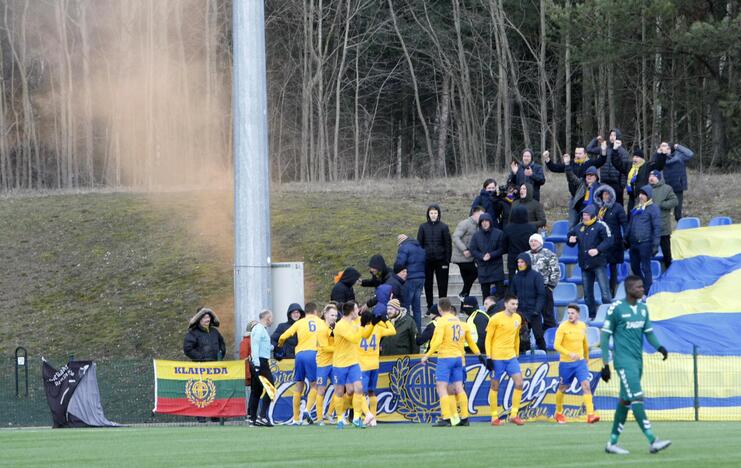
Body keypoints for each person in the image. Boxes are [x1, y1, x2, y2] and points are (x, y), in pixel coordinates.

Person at [600, 275, 671, 455]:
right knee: (637, 397)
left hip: (638, 362)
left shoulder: (642, 309)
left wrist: (660, 347)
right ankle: (653, 440)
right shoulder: (616, 308)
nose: (642, 289)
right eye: (639, 287)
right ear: (630, 289)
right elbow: (605, 335)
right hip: (623, 362)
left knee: (625, 401)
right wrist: (605, 364)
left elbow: (649, 333)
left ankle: (612, 443)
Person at [421, 298, 485, 427]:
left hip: (446, 357)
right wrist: (479, 355)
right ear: (450, 307)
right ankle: (465, 417)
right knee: (458, 387)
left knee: (441, 387)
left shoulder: (441, 322)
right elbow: (471, 342)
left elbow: (438, 341)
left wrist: (427, 355)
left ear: (439, 308)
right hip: (459, 359)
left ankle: (446, 417)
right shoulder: (460, 322)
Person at [553, 304, 599, 424]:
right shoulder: (562, 327)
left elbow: (584, 342)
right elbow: (556, 345)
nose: (570, 315)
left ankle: (590, 415)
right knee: (563, 387)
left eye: (572, 313)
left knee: (586, 385)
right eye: (568, 313)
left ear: (578, 314)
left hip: (580, 363)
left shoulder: (582, 326)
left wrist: (586, 357)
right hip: (566, 363)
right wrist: (569, 354)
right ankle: (558, 412)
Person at [332, 301, 374, 429]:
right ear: (351, 311)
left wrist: (371, 323)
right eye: (356, 309)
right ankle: (339, 417)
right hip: (340, 363)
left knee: (359, 388)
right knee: (339, 392)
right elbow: (355, 339)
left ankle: (357, 417)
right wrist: (362, 326)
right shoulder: (340, 326)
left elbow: (364, 336)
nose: (358, 311)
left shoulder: (354, 322)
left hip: (353, 362)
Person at [567, 205, 613, 320]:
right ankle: (592, 315)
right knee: (587, 293)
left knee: (605, 292)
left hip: (598, 263)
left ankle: (610, 315)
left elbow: (609, 240)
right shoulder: (579, 227)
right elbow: (570, 237)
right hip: (585, 264)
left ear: (592, 215)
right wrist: (570, 240)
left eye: (587, 215)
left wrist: (598, 250)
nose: (584, 217)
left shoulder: (601, 225)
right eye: (583, 215)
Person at [278, 302, 321, 425]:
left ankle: (296, 419)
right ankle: (307, 409)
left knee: (298, 387)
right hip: (313, 353)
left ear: (305, 312)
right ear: (315, 312)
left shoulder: (299, 323)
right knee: (314, 385)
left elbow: (283, 336)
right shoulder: (320, 322)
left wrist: (280, 345)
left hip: (299, 355)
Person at [485, 295, 525, 426]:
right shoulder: (495, 318)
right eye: (513, 304)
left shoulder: (518, 318)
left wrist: (516, 352)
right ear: (506, 304)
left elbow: (516, 337)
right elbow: (488, 339)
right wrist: (489, 357)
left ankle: (514, 415)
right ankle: (494, 417)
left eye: (517, 304)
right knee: (495, 386)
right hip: (497, 357)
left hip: (511, 357)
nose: (515, 307)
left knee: (519, 383)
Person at [183, 307, 226, 423]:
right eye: (204, 317)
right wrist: (200, 358)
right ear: (199, 319)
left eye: (208, 317)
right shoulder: (193, 333)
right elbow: (187, 349)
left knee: (215, 390)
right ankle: (201, 415)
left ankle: (214, 414)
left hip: (215, 367)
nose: (207, 319)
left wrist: (220, 356)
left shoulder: (215, 332)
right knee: (201, 392)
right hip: (200, 367)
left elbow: (222, 345)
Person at [358, 315, 396, 426]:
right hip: (374, 364)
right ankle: (373, 418)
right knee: (371, 392)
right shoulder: (378, 328)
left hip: (362, 365)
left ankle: (364, 415)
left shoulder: (359, 329)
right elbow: (393, 331)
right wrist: (385, 320)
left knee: (360, 393)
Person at [610, 141, 667, 213]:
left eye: (637, 157)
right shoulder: (629, 166)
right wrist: (615, 150)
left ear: (642, 159)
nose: (634, 159)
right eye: (633, 156)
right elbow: (617, 163)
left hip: (643, 198)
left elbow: (659, 166)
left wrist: (662, 154)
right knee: (631, 218)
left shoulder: (647, 166)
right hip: (631, 198)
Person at [594, 185, 629, 296]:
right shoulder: (597, 208)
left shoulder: (617, 207)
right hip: (600, 243)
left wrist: (625, 239)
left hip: (614, 243)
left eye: (608, 194)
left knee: (613, 269)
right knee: (600, 267)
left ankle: (612, 291)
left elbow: (625, 224)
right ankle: (603, 291)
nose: (606, 196)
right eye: (604, 194)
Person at [417, 204, 452, 314]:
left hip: (441, 260)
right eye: (431, 213)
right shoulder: (423, 227)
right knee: (428, 284)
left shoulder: (444, 227)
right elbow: (419, 245)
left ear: (438, 214)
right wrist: (421, 260)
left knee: (443, 285)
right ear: (428, 214)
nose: (433, 215)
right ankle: (430, 307)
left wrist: (447, 260)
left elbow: (448, 245)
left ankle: (443, 307)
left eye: (435, 213)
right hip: (427, 261)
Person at [626, 185, 661, 293]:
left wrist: (655, 244)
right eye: (640, 194)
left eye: (643, 194)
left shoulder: (653, 208)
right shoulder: (636, 208)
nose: (641, 196)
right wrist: (625, 238)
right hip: (634, 243)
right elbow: (630, 224)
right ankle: (642, 286)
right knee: (634, 267)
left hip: (645, 243)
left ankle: (648, 290)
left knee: (646, 268)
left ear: (648, 196)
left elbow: (656, 227)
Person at [509, 254, 547, 351]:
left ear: (527, 263)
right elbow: (512, 295)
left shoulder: (536, 276)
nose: (520, 264)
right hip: (520, 313)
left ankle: (545, 357)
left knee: (539, 336)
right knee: (521, 338)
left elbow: (541, 294)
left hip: (534, 312)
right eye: (518, 262)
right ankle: (523, 358)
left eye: (522, 262)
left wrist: (537, 310)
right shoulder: (515, 277)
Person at [587, 129, 630, 206]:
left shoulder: (623, 152)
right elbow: (589, 149)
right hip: (604, 182)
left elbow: (624, 170)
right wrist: (596, 139)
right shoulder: (604, 149)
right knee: (603, 204)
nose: (612, 137)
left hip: (617, 184)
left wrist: (622, 185)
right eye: (611, 135)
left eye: (614, 135)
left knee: (617, 205)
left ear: (618, 137)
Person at [468, 213, 505, 300]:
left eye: (486, 221)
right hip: (483, 267)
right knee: (485, 294)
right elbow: (473, 249)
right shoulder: (476, 235)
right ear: (480, 223)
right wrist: (481, 256)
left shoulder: (499, 233)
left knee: (500, 294)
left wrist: (491, 255)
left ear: (490, 222)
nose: (485, 223)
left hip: (497, 266)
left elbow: (502, 248)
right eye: (482, 221)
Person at [526, 233, 560, 330]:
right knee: (530, 318)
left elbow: (556, 271)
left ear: (540, 242)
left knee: (548, 316)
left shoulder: (549, 254)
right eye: (531, 241)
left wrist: (550, 287)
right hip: (529, 291)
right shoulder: (525, 255)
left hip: (544, 289)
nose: (533, 243)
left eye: (535, 241)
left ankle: (550, 339)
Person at [248, 309, 275, 427]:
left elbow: (263, 346)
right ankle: (262, 416)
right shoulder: (259, 329)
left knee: (257, 391)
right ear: (267, 318)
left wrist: (272, 347)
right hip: (261, 362)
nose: (272, 320)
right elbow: (255, 344)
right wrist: (257, 363)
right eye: (271, 318)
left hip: (257, 361)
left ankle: (252, 417)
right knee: (271, 388)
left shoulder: (260, 329)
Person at [394, 233, 426, 330]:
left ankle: (407, 330)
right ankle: (418, 332)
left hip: (410, 279)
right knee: (417, 308)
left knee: (405, 306)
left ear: (401, 243)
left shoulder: (404, 248)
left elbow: (399, 263)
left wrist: (395, 272)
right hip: (421, 278)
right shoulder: (420, 247)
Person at [452, 206, 484, 300]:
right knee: (475, 273)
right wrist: (464, 249)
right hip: (461, 257)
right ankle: (462, 294)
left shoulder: (478, 226)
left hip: (470, 258)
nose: (482, 217)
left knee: (467, 282)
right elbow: (455, 237)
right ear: (475, 213)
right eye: (481, 215)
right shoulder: (465, 223)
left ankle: (463, 305)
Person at [648, 170, 678, 269]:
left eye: (653, 176)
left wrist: (662, 205)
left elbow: (674, 201)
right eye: (650, 176)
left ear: (659, 178)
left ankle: (669, 268)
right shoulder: (646, 189)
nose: (651, 178)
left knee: (666, 250)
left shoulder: (667, 188)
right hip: (649, 225)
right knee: (649, 249)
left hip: (663, 225)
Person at [315, 303, 338, 425]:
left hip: (334, 363)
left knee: (339, 388)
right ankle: (319, 418)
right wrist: (340, 348)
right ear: (325, 315)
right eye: (332, 315)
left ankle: (329, 414)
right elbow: (324, 347)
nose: (334, 317)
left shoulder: (336, 328)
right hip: (323, 364)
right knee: (321, 390)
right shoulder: (321, 329)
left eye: (335, 315)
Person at [503, 205, 537, 285]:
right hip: (528, 258)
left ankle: (513, 296)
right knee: (528, 281)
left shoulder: (508, 228)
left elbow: (504, 246)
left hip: (513, 259)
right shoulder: (532, 227)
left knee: (513, 282)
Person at [661, 142, 694, 221]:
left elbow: (690, 154)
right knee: (665, 208)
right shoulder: (662, 158)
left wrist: (678, 146)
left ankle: (680, 227)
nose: (667, 150)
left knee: (678, 211)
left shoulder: (679, 156)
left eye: (669, 148)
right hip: (666, 186)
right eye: (666, 148)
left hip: (678, 185)